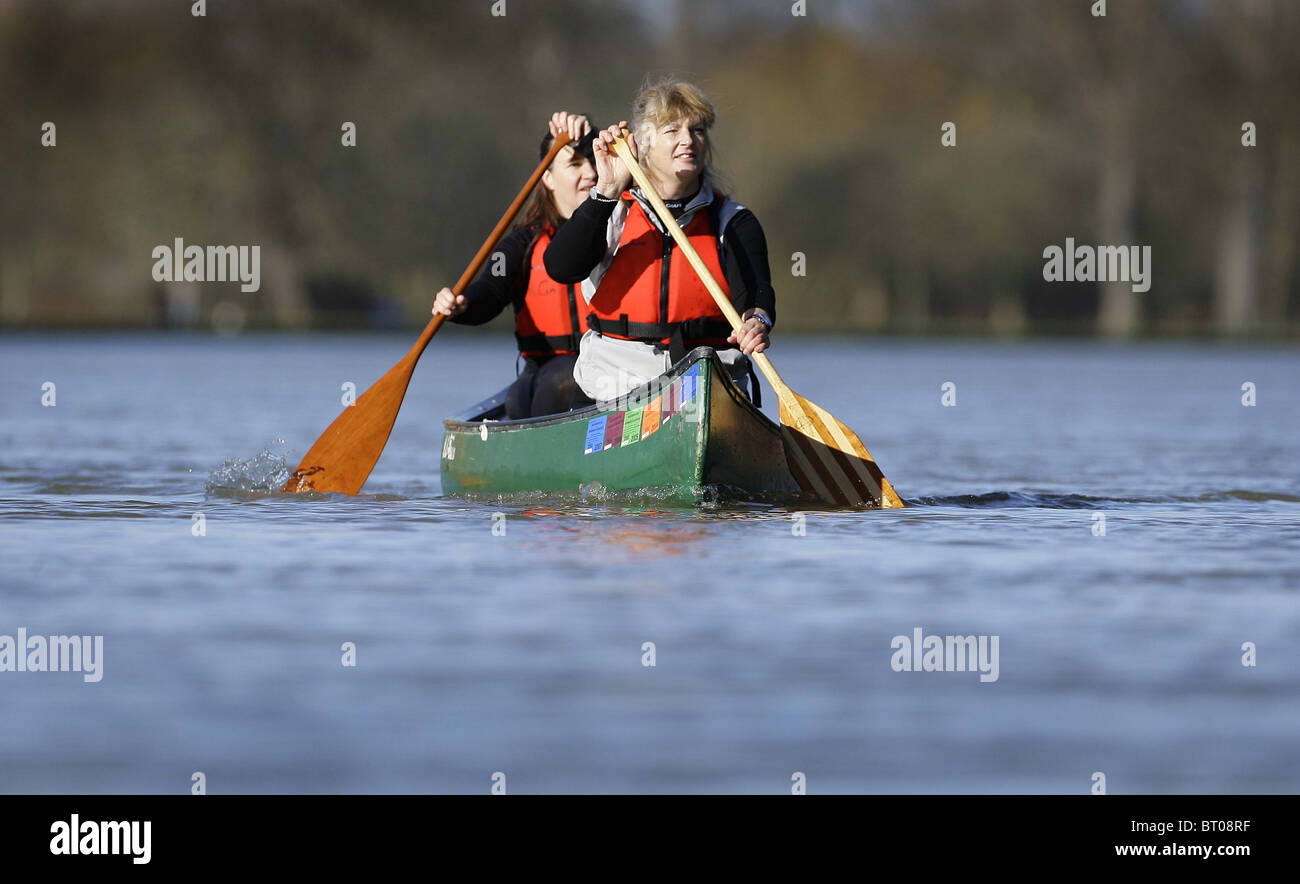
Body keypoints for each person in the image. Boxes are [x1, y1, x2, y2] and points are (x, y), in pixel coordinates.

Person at [542, 79, 774, 405]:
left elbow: (756, 294)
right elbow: (561, 267)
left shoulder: (733, 221)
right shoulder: (613, 209)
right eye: (672, 131)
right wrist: (606, 191)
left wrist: (757, 321)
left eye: (697, 130)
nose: (688, 140)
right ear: (645, 144)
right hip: (618, 381)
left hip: (707, 381)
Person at [432, 112, 598, 418]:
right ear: (547, 178)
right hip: (547, 376)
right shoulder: (521, 244)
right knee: (564, 378)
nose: (590, 173)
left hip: (613, 374)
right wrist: (463, 304)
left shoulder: (627, 232)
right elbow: (490, 290)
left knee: (588, 380)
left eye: (594, 161)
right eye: (575, 164)